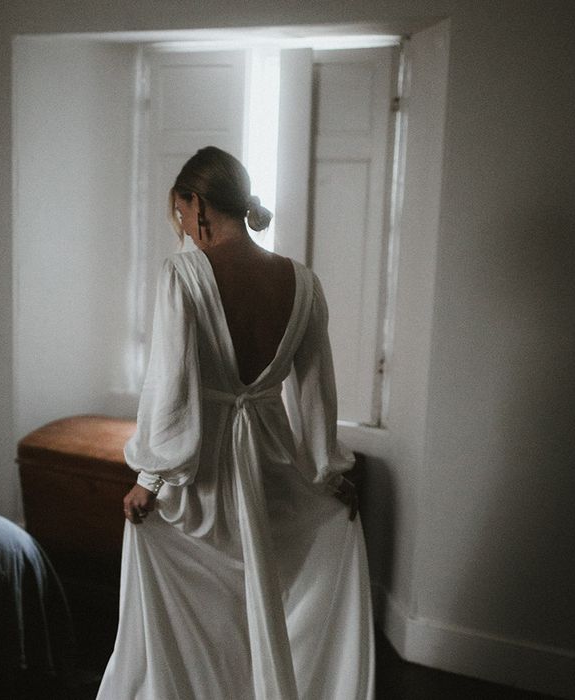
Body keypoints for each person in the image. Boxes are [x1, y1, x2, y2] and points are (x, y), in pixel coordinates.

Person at [97, 146, 375, 699]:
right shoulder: (303, 282)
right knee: (260, 605)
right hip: (274, 472)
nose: (182, 228)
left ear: (196, 204)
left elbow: (170, 385)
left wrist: (149, 478)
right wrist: (327, 473)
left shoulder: (182, 275)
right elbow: (317, 393)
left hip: (207, 477)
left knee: (202, 620)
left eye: (179, 214)